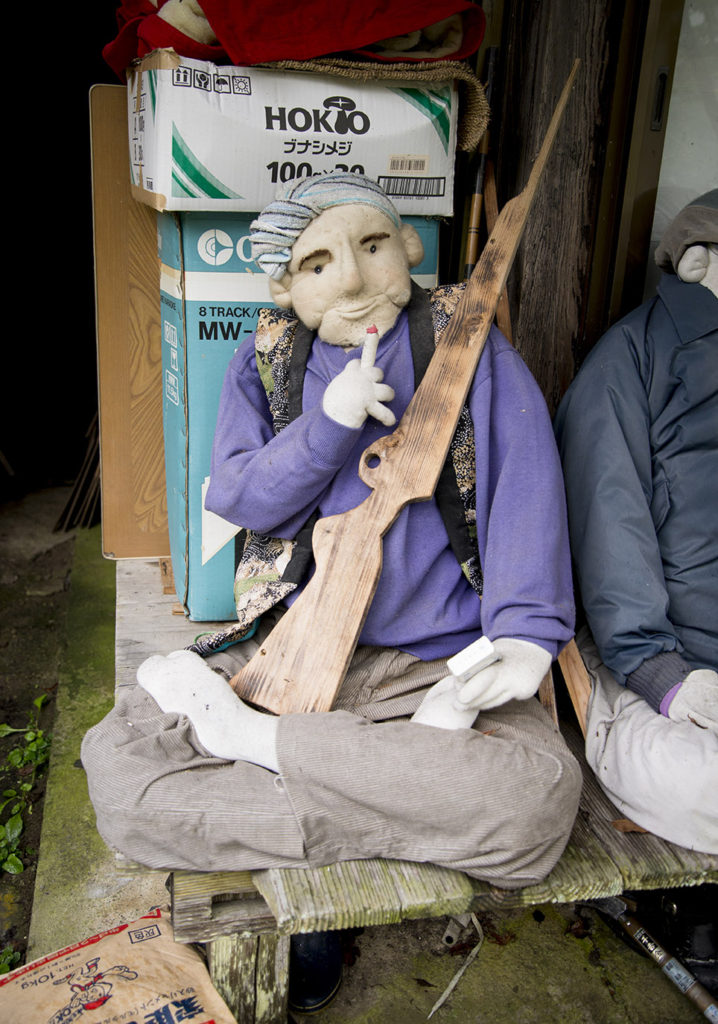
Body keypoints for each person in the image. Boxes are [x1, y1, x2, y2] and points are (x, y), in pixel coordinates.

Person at [82, 174, 581, 985]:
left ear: (409, 247)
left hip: (440, 674)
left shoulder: (468, 346)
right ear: (285, 286)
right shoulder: (270, 359)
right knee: (122, 775)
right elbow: (241, 498)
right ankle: (364, 775)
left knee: (536, 804)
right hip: (301, 657)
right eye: (318, 264)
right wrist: (329, 425)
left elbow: (528, 486)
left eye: (373, 246)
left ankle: (260, 751)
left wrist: (526, 633)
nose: (351, 278)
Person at [554, 190, 718, 991]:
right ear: (698, 265)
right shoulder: (630, 363)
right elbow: (608, 534)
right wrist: (665, 678)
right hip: (665, 668)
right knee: (699, 780)